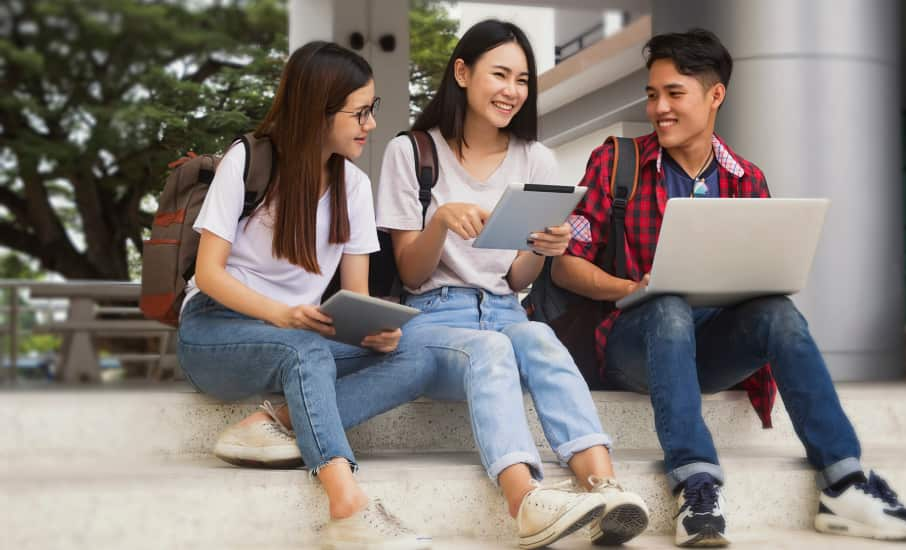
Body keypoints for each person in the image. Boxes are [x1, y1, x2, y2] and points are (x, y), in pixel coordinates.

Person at [551, 28, 906, 548]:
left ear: (715, 96)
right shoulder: (617, 163)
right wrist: (635, 286)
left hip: (712, 350)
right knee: (666, 305)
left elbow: (764, 285)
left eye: (674, 94)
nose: (658, 108)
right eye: (652, 94)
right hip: (631, 343)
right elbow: (565, 267)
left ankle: (843, 483)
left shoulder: (747, 180)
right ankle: (696, 484)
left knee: (778, 312)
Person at [375, 19, 650, 550]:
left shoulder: (535, 159)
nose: (512, 92)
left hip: (504, 309)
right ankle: (524, 501)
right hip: (434, 318)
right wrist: (440, 222)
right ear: (462, 72)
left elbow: (517, 277)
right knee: (493, 352)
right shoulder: (411, 153)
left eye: (522, 80)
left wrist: (542, 251)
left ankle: (603, 485)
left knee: (541, 339)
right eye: (500, 74)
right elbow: (410, 273)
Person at [176, 41, 433, 549]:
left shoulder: (353, 187)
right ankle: (348, 507)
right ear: (319, 111)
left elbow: (356, 295)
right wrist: (284, 315)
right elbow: (209, 273)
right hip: (214, 327)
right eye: (359, 112)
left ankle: (272, 424)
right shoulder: (247, 160)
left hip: (299, 329)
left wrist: (373, 331)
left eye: (372, 110)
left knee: (419, 352)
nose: (371, 124)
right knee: (306, 351)